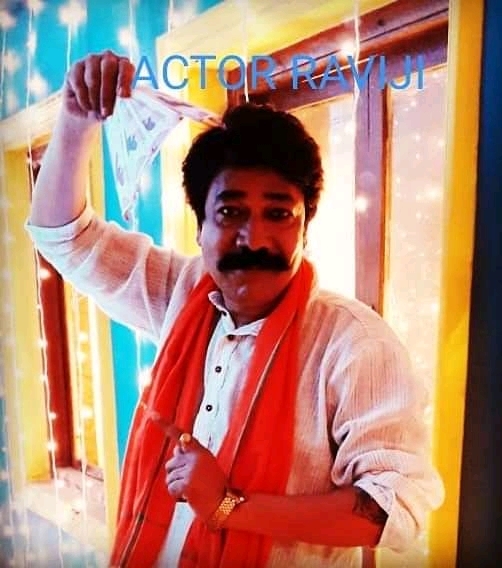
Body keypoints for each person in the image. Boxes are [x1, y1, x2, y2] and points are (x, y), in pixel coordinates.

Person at [26, 51, 444, 568]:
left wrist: (229, 506)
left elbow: (393, 508)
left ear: (305, 229)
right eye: (230, 212)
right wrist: (76, 118)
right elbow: (63, 237)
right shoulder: (181, 293)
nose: (256, 238)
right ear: (199, 227)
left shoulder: (354, 344)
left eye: (279, 213)